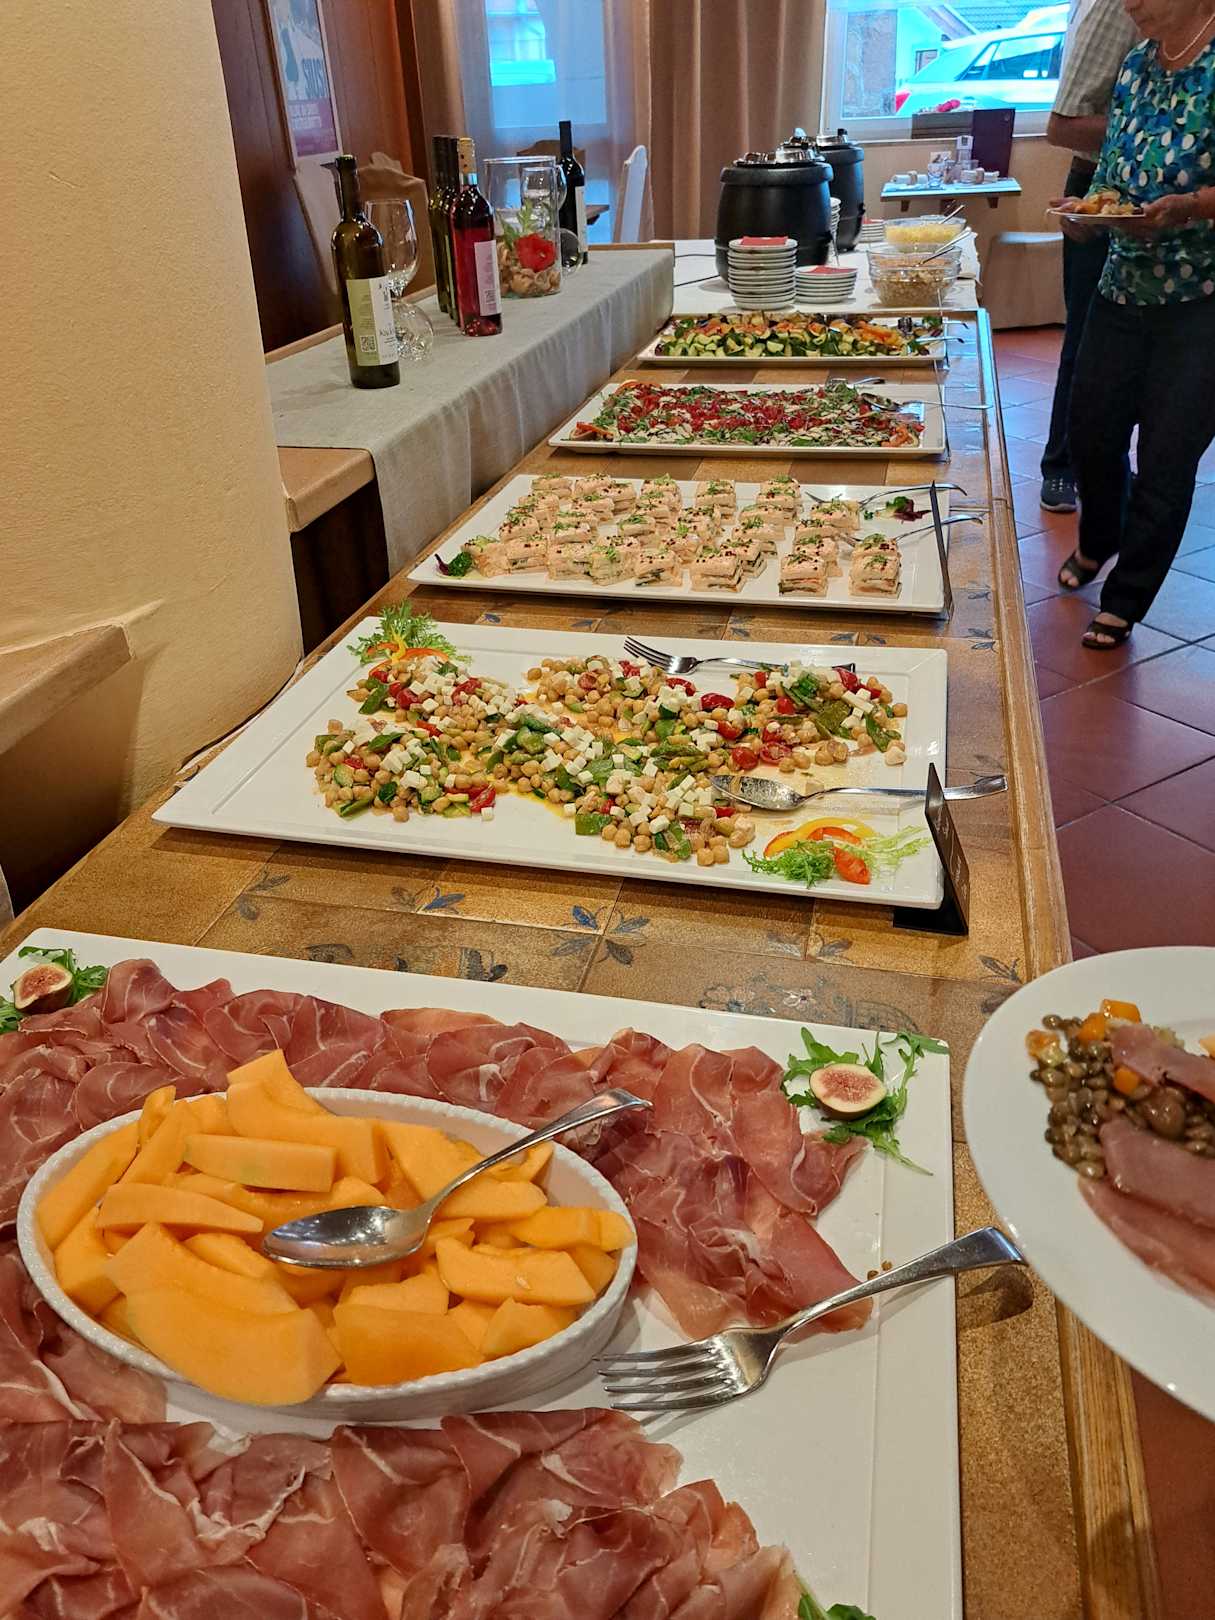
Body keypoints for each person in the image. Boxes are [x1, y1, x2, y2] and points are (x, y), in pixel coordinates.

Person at [1056, 0, 1215, 648]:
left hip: (1201, 298)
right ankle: (1099, 538)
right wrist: (1085, 210)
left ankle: (1125, 599)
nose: (1129, 3)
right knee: (1090, 432)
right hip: (1122, 284)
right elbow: (1113, 173)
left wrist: (1188, 207)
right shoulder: (1136, 65)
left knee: (1166, 457)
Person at [1040, 0, 1139, 512]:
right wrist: (1156, 127)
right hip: (1101, 185)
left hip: (1154, 194)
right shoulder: (1113, 7)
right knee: (1086, 338)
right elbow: (1063, 125)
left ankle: (1109, 467)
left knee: (1139, 346)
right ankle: (1062, 465)